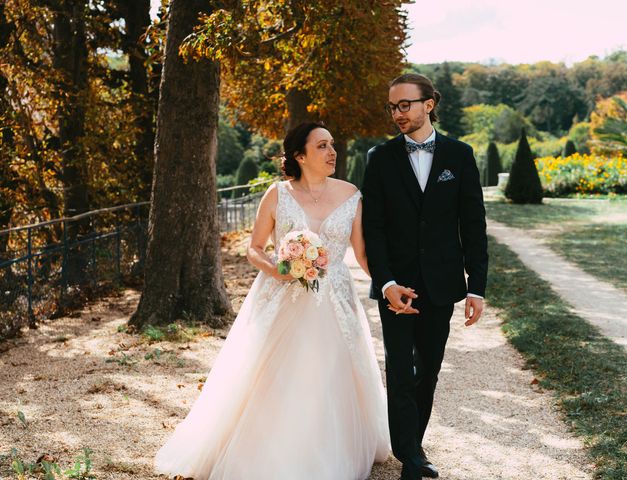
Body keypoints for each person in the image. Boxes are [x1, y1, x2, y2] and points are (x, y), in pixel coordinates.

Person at [154, 122, 390, 480]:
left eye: (332, 146)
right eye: (323, 146)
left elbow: (362, 255)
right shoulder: (277, 194)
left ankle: (327, 450)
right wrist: (277, 268)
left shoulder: (351, 195)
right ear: (300, 155)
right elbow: (254, 248)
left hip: (336, 300)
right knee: (272, 373)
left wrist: (389, 286)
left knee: (330, 372)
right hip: (283, 297)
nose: (332, 153)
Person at [361, 73, 488, 480]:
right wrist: (385, 283)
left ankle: (411, 444)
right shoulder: (379, 158)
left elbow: (473, 225)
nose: (397, 113)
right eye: (392, 107)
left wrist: (477, 288)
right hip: (396, 286)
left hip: (441, 284)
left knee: (428, 369)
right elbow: (373, 230)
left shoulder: (460, 155)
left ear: (428, 104)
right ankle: (411, 459)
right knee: (399, 371)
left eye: (405, 105)